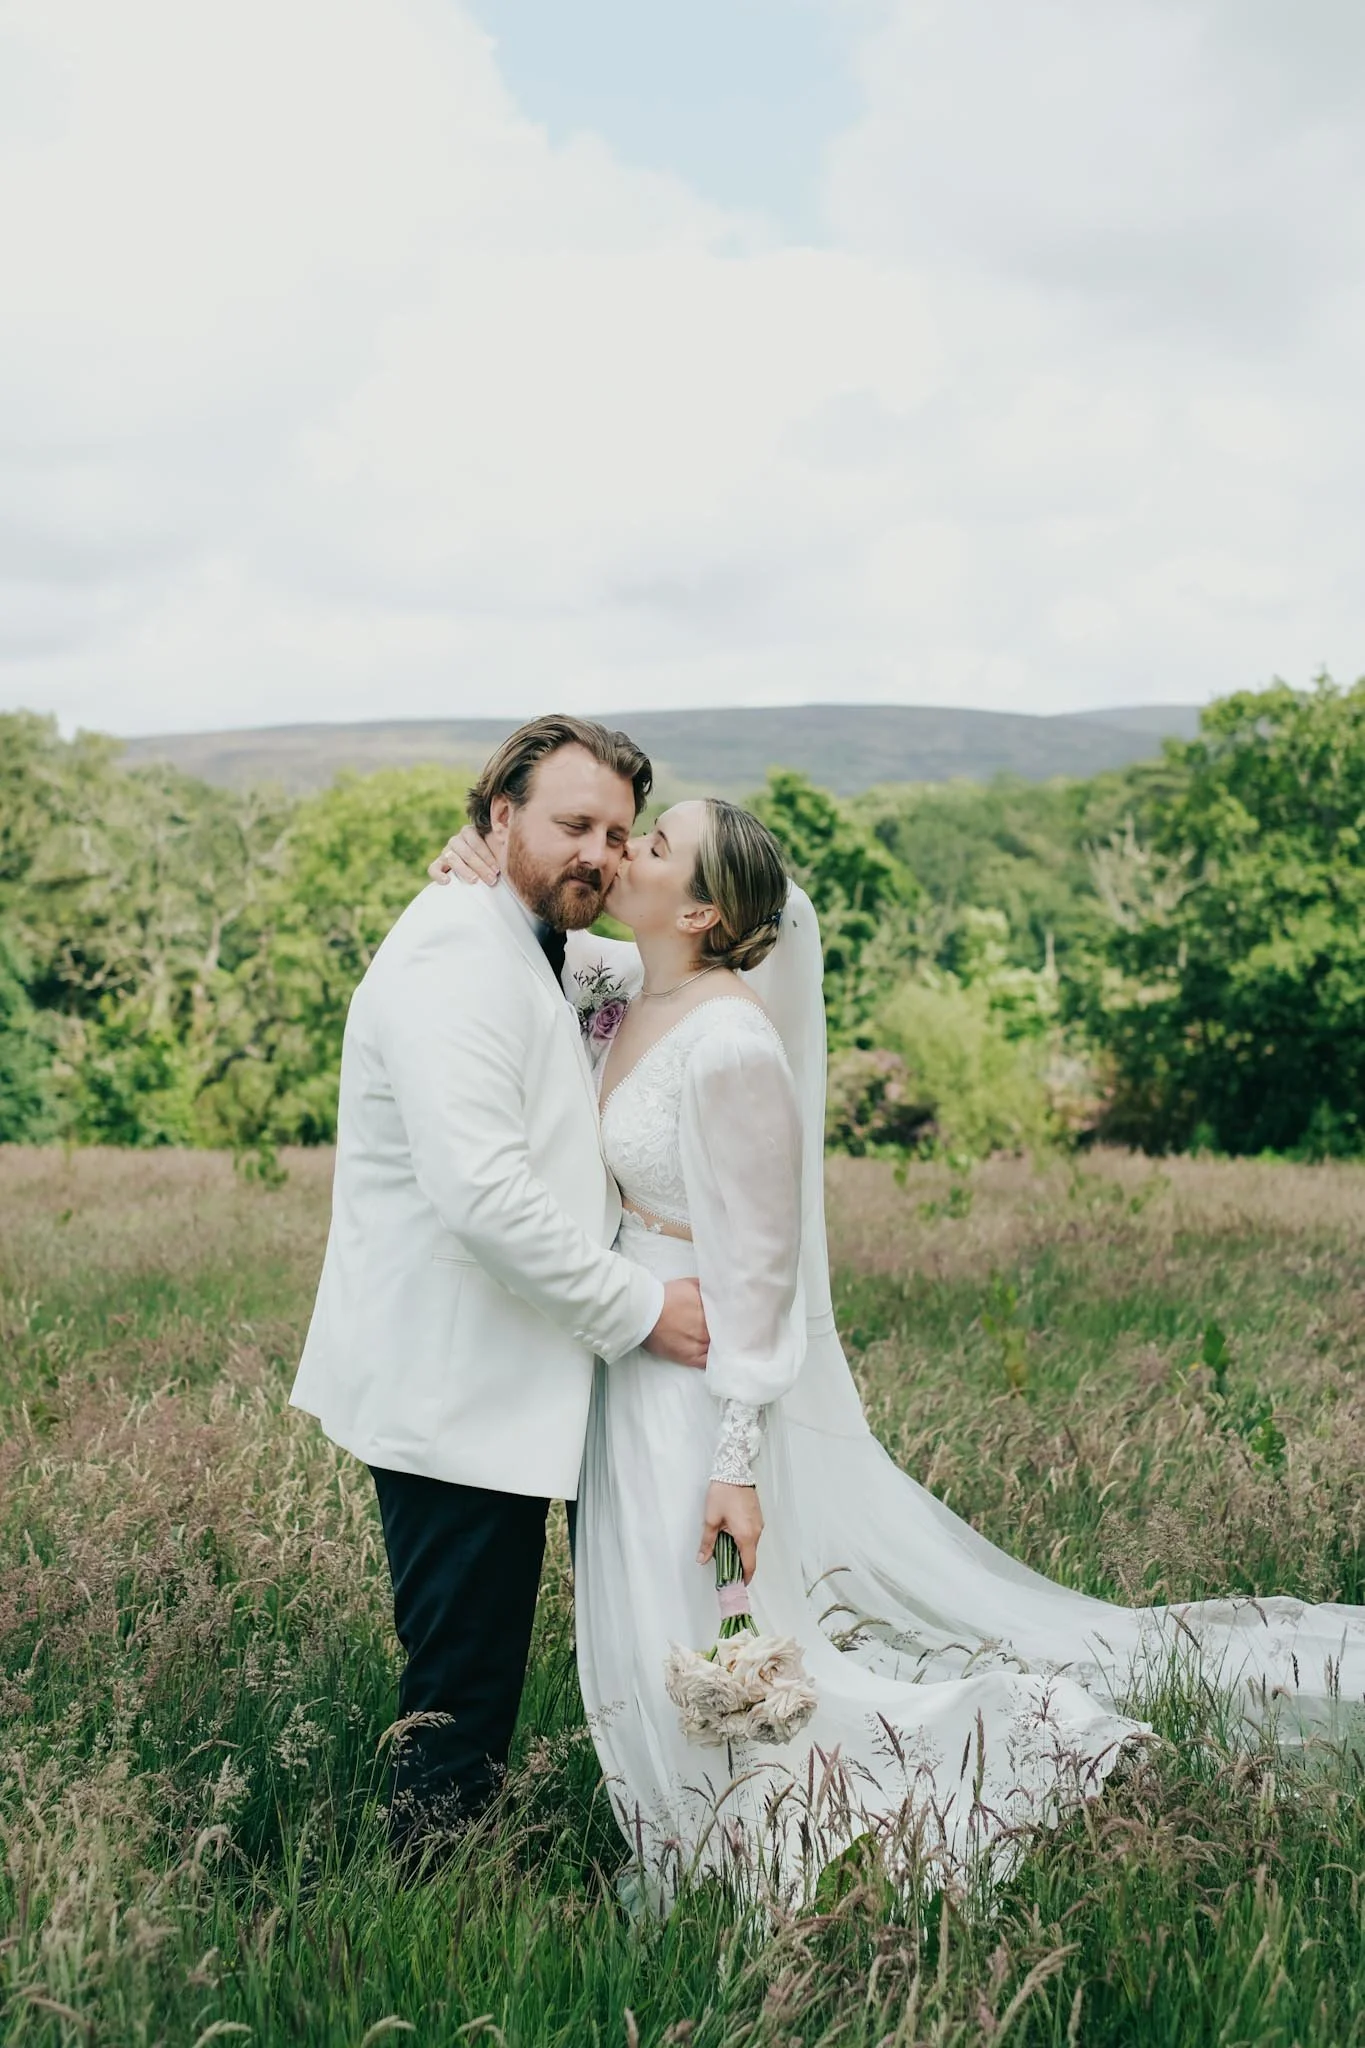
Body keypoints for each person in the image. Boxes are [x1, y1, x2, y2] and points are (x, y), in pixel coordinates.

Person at [432, 796, 1365, 1909]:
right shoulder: (632, 984)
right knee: (640, 1632)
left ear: (699, 906)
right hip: (625, 1355)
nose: (626, 851)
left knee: (710, 1635)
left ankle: (1015, 1746)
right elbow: (531, 930)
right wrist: (474, 868)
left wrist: (735, 1461)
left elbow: (762, 1271)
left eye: (656, 843)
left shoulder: (732, 1043)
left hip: (692, 1384)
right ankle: (694, 1846)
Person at [291, 715, 713, 1874]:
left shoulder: (546, 939)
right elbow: (480, 1191)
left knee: (485, 1667)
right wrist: (641, 1307)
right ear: (497, 818)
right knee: (460, 1684)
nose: (601, 851)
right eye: (573, 823)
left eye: (621, 833)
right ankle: (427, 1909)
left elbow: (661, 962)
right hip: (449, 1381)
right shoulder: (449, 954)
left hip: (506, 1377)